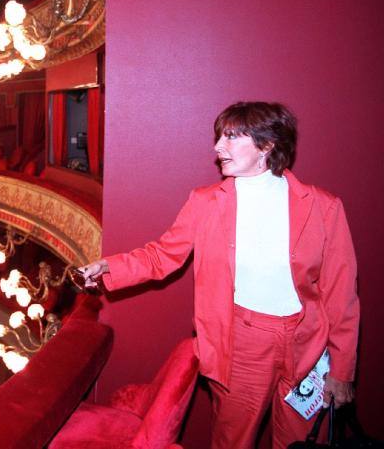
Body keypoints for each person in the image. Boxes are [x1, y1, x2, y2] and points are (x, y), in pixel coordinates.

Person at [79, 101, 359, 449]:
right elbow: (163, 255)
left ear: (267, 145)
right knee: (232, 441)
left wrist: (342, 370)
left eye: (230, 137)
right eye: (219, 138)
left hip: (308, 345)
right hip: (241, 344)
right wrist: (110, 267)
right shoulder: (205, 202)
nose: (217, 148)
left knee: (300, 443)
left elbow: (342, 295)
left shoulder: (323, 206)